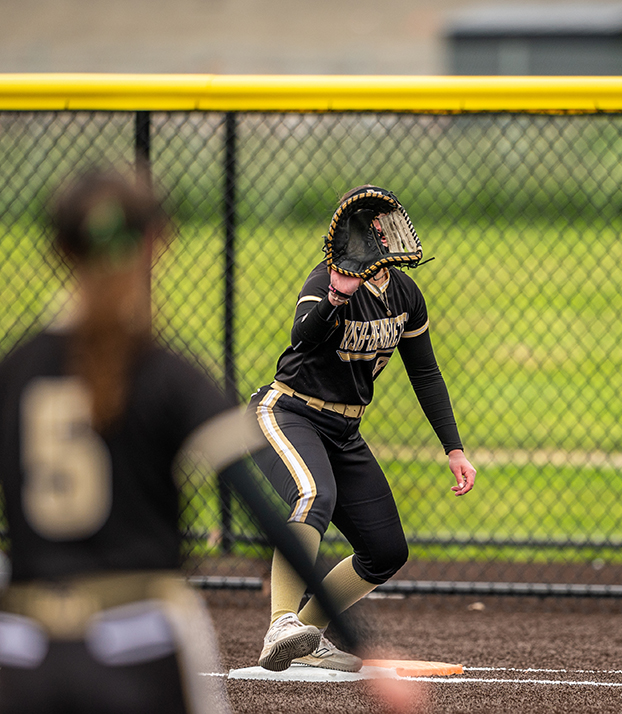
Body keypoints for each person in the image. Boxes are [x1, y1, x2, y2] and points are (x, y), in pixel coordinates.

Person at [0, 168, 369, 714]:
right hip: (141, 642)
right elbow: (261, 514)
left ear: (59, 249)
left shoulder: (16, 370)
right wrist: (361, 642)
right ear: (156, 243)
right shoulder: (167, 373)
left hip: (25, 651)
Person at [250, 185, 476, 673]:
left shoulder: (405, 294)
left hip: (344, 429)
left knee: (385, 551)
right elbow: (302, 335)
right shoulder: (327, 279)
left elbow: (426, 373)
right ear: (359, 238)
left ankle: (306, 638)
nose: (390, 234)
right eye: (378, 227)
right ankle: (281, 623)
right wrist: (336, 296)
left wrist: (453, 448)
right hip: (289, 412)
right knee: (313, 493)